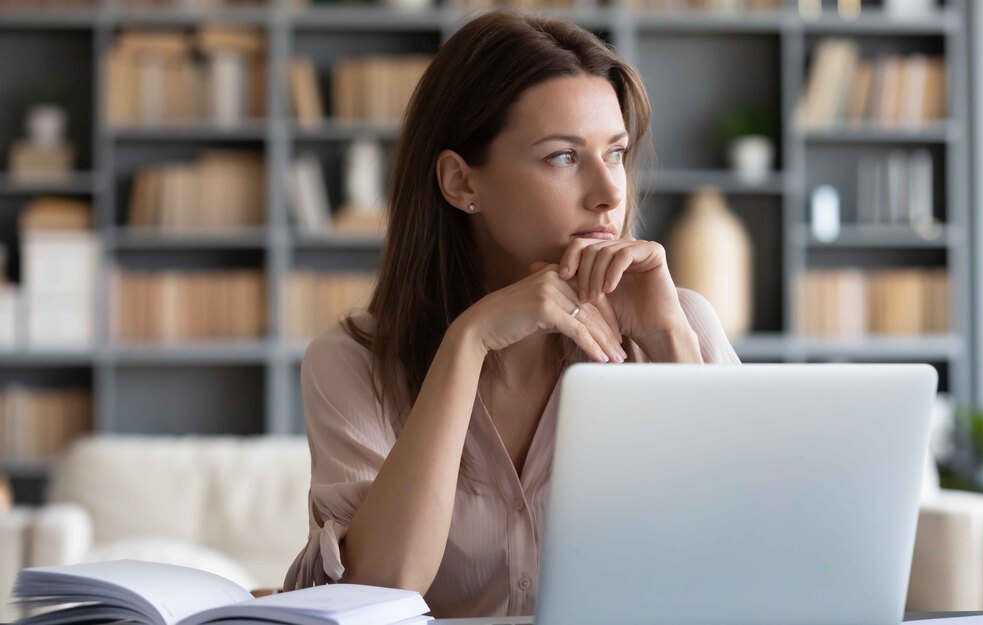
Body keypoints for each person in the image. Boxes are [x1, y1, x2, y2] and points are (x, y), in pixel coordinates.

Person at [282, 10, 742, 618]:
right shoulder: (352, 363)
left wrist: (666, 340)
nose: (608, 191)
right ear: (460, 182)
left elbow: (744, 557)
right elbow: (380, 591)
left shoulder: (678, 322)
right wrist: (466, 343)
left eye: (617, 153)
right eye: (562, 157)